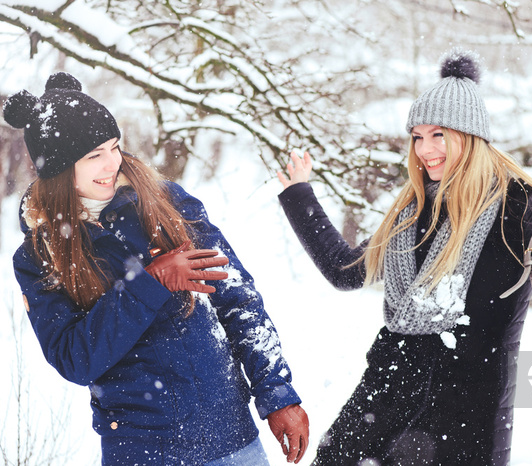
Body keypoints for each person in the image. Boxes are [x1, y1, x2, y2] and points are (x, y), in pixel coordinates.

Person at [276, 49, 532, 465]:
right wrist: (299, 195)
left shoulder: (516, 207)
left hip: (465, 421)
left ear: (468, 135)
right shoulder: (414, 209)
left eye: (438, 134)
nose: (425, 149)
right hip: (382, 400)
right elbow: (346, 270)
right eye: (417, 137)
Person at [3, 72, 309, 466]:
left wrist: (277, 393)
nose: (111, 163)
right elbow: (75, 358)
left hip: (232, 438)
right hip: (143, 450)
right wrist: (151, 282)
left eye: (114, 147)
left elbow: (237, 296)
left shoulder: (165, 202)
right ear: (60, 169)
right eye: (94, 155)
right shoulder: (40, 256)